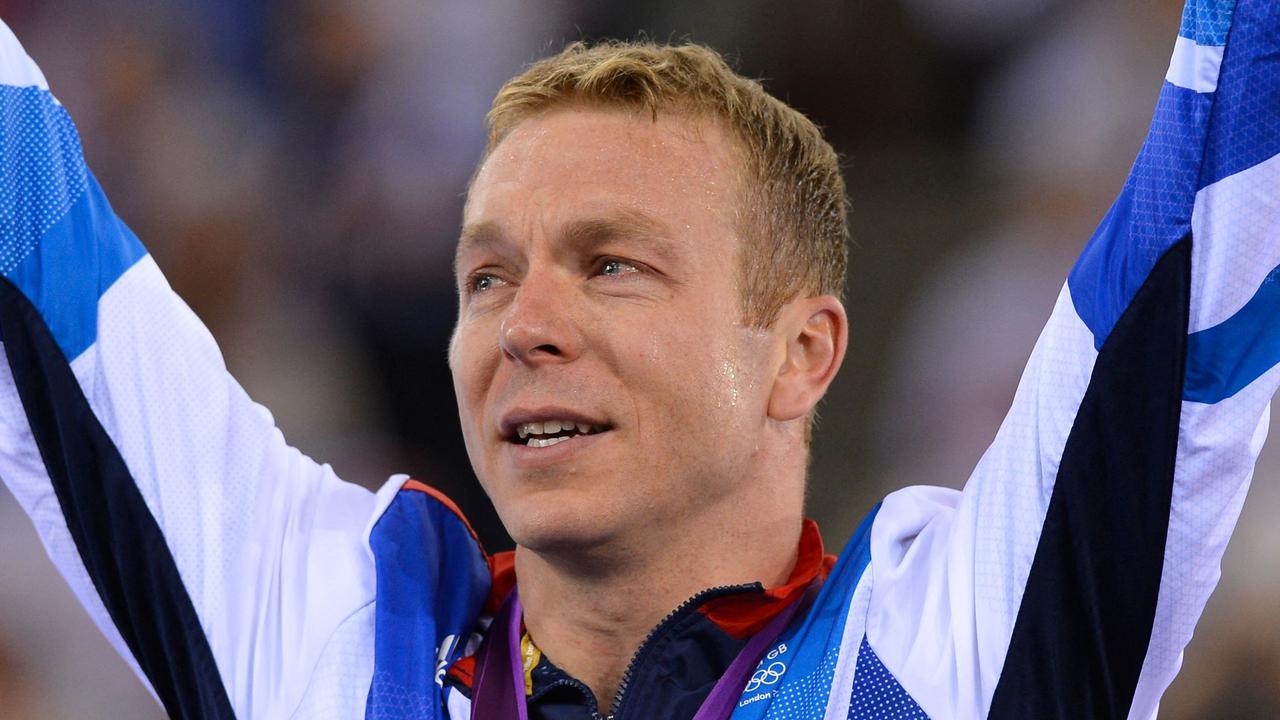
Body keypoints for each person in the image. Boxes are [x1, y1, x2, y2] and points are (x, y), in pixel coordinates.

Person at [0, 0, 1276, 718]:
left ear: (799, 354)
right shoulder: (329, 639)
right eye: (485, 277)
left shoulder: (942, 653)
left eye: (612, 264)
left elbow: (1216, 186)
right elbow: (32, 239)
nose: (522, 327)